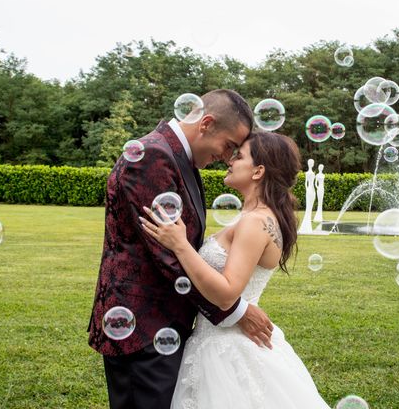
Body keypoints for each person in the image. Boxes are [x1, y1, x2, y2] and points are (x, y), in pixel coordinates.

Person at [88, 89, 274, 409]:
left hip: (163, 323)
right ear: (206, 123)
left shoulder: (179, 158)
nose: (229, 157)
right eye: (229, 145)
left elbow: (186, 243)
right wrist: (235, 310)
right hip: (142, 328)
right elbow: (169, 256)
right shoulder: (152, 156)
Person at [141, 131, 331, 408]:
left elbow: (228, 293)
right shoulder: (259, 217)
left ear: (258, 171)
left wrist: (180, 245)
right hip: (220, 337)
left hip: (227, 349)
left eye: (239, 156)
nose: (230, 160)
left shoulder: (255, 222)